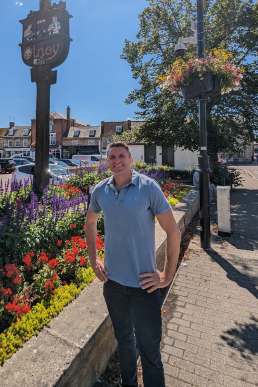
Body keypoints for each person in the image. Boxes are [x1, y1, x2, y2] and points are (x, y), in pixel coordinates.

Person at [86, 141, 181, 387]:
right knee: (125, 341)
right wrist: (93, 258)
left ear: (130, 159)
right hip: (113, 284)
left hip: (145, 286)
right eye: (112, 157)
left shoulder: (149, 188)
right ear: (107, 161)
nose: (117, 161)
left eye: (121, 156)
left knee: (150, 351)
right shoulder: (101, 190)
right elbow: (90, 222)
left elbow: (173, 231)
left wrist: (167, 276)